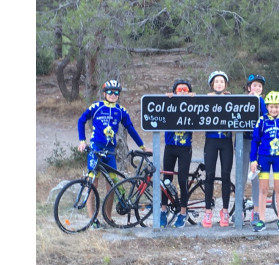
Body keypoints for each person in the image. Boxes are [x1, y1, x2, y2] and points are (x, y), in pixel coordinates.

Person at [77, 79, 151, 228]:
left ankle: (108, 218)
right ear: (104, 93)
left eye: (116, 92)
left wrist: (143, 147)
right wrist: (82, 140)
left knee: (112, 184)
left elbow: (130, 129)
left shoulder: (121, 111)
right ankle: (93, 220)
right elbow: (81, 120)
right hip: (96, 150)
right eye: (110, 92)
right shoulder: (96, 106)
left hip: (110, 152)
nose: (113, 94)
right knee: (92, 183)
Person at [249, 91, 279, 232]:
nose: (274, 109)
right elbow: (255, 141)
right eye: (271, 107)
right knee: (263, 190)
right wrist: (253, 160)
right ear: (267, 107)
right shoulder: (261, 121)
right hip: (263, 157)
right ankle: (261, 220)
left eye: (276, 107)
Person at [160, 79, 195, 228]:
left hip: (184, 148)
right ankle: (163, 210)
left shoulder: (193, 105)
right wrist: (167, 99)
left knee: (182, 180)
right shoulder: (170, 103)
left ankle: (183, 213)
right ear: (174, 91)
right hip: (170, 147)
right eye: (179, 89)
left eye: (185, 90)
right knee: (166, 180)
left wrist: (195, 100)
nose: (181, 92)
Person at [202, 71, 233, 228]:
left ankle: (225, 211)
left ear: (225, 85)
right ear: (212, 85)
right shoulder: (207, 99)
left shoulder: (231, 99)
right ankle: (208, 211)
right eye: (216, 81)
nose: (219, 84)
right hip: (211, 141)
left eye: (222, 81)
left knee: (226, 176)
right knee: (209, 175)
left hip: (226, 141)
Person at [241, 74, 268, 226]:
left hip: (257, 144)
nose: (256, 88)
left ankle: (256, 211)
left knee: (256, 178)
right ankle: (239, 210)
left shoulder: (262, 101)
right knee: (242, 176)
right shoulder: (241, 100)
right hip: (243, 141)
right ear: (249, 87)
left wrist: (258, 100)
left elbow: (265, 116)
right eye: (254, 85)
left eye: (259, 86)